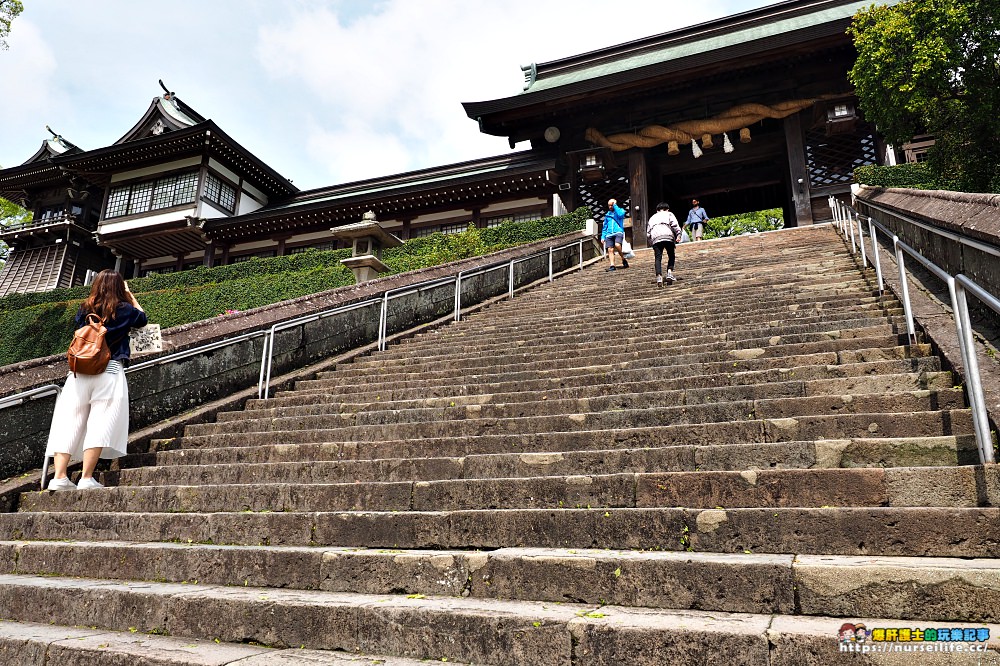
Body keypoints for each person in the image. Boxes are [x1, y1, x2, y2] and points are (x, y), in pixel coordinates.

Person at [46, 270, 147, 491]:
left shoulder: (85, 309)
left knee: (69, 422)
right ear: (120, 287)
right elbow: (143, 318)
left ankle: (59, 477)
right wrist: (129, 295)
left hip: (79, 372)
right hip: (109, 371)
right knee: (101, 423)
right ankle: (86, 478)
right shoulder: (125, 310)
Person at [646, 202, 683, 287]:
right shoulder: (669, 214)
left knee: (658, 258)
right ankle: (669, 273)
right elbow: (674, 225)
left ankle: (659, 277)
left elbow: (648, 233)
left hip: (656, 238)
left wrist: (651, 243)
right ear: (667, 209)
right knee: (671, 255)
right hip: (667, 236)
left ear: (657, 210)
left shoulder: (652, 217)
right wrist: (678, 234)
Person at [601, 198, 629, 271]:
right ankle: (612, 265)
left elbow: (620, 215)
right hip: (609, 234)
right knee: (610, 250)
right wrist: (603, 237)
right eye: (609, 205)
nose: (610, 207)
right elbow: (605, 227)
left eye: (611, 205)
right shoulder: (607, 215)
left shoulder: (620, 211)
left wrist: (615, 206)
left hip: (618, 231)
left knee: (617, 245)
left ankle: (623, 258)